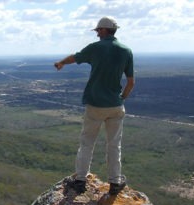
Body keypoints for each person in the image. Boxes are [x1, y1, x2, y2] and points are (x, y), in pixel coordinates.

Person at [54, 16, 135, 195]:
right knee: (114, 144)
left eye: (98, 30)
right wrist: (122, 98)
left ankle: (80, 181)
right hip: (115, 105)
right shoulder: (126, 51)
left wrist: (61, 63)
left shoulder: (95, 48)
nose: (97, 33)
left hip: (95, 104)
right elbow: (130, 82)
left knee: (87, 143)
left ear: (104, 30)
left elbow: (75, 58)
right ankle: (115, 182)